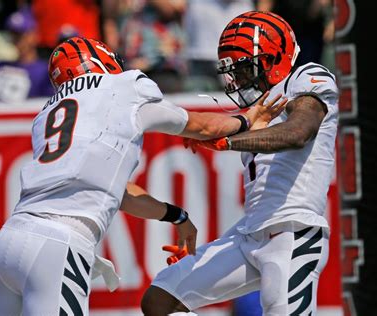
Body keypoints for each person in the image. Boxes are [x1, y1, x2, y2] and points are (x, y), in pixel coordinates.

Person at [0, 36, 284, 315]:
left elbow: (117, 191)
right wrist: (246, 120)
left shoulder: (45, 114)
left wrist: (175, 216)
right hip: (57, 240)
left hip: (8, 242)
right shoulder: (126, 85)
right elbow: (203, 127)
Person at [142, 10, 338, 315]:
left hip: (293, 229)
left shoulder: (307, 77)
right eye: (234, 71)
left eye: (246, 69)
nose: (238, 79)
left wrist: (228, 142)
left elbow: (299, 132)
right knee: (160, 299)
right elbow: (216, 125)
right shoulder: (259, 107)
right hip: (249, 232)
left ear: (275, 59)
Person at [0, 7, 54, 103]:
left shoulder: (45, 71)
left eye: (22, 35)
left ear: (35, 35)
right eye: (14, 34)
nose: (18, 40)